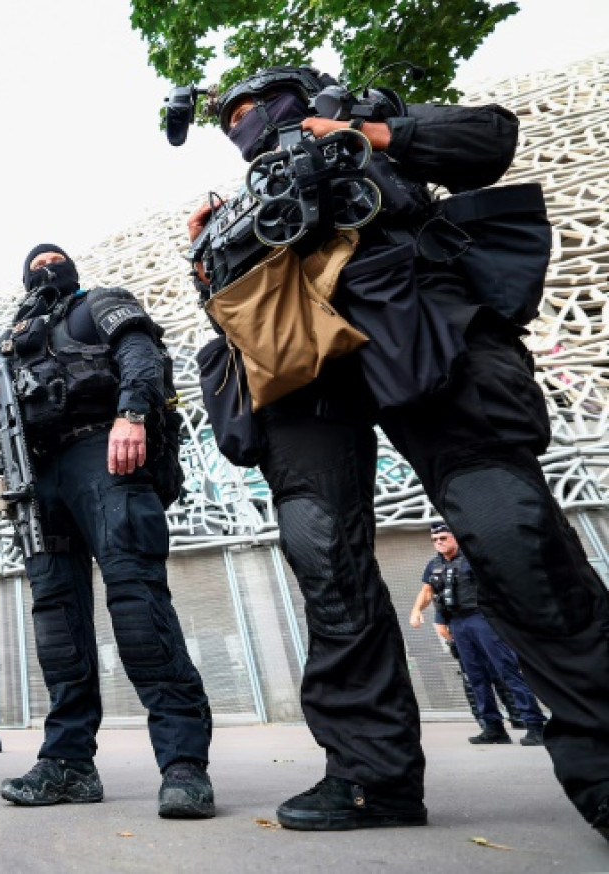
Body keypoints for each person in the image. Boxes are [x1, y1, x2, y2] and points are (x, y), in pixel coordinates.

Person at [188, 67, 609, 837]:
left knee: (508, 529)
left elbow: (490, 136)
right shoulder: (253, 198)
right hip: (302, 364)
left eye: (254, 106)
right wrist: (220, 246)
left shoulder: (357, 123)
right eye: (230, 117)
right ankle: (370, 777)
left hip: (422, 324)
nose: (244, 122)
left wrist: (376, 134)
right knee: (322, 555)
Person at [0, 246, 214, 814]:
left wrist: (131, 414)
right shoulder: (8, 343)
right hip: (36, 474)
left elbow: (140, 352)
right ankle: (68, 762)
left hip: (106, 454)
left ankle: (183, 765)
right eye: (35, 259)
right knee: (56, 620)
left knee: (137, 605)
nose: (45, 266)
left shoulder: (97, 304)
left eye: (55, 256)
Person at [409, 523, 545, 746]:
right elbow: (427, 591)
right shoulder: (434, 564)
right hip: (457, 623)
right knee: (475, 677)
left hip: (482, 619)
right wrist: (416, 611)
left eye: (443, 538)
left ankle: (535, 724)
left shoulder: (475, 558)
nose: (439, 543)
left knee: (507, 671)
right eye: (435, 540)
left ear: (455, 537)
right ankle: (493, 728)